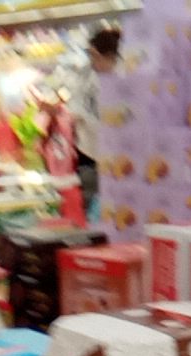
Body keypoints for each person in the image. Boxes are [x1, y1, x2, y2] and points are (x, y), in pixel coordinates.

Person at [71, 26, 121, 218]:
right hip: (93, 157)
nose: (92, 62)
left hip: (106, 161)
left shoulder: (123, 83)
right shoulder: (91, 79)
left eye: (94, 56)